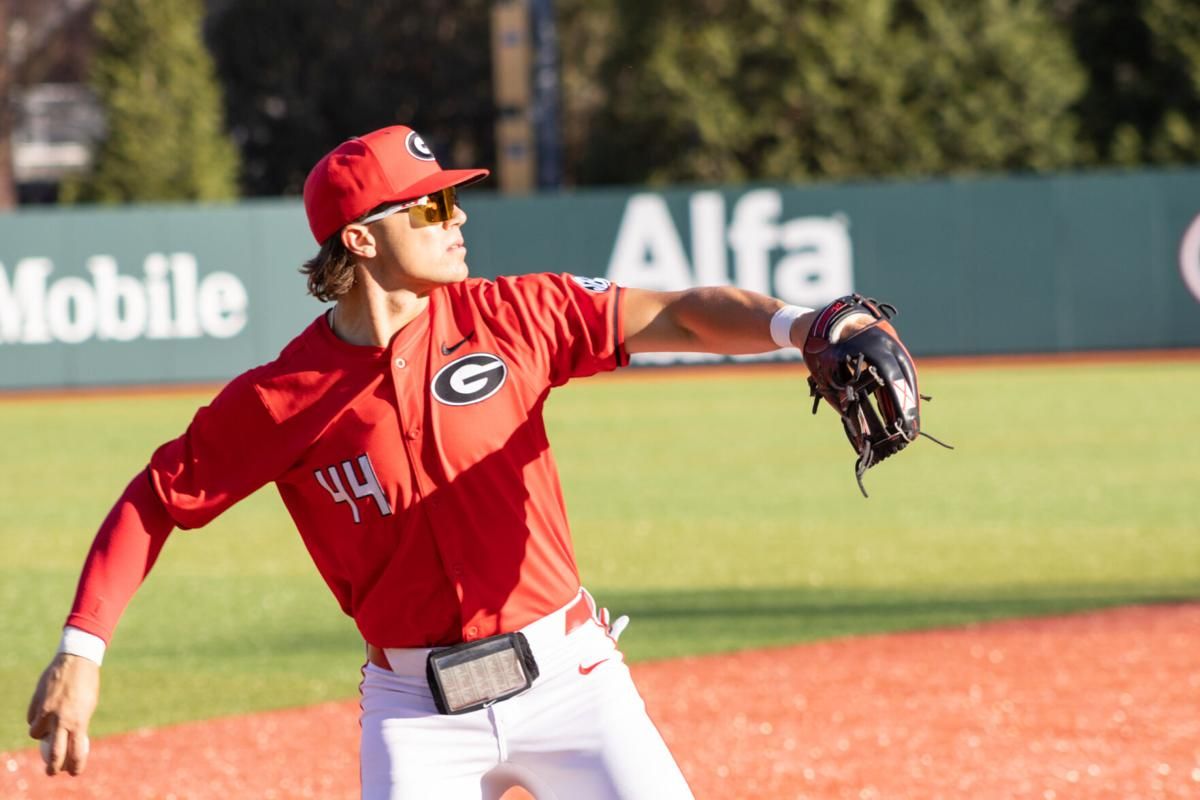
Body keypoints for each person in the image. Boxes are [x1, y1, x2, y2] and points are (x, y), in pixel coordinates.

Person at [26, 124, 864, 799]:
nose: (457, 218)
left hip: (573, 682)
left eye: (453, 201)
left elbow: (679, 314)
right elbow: (157, 500)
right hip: (416, 715)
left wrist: (803, 324)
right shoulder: (281, 396)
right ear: (359, 237)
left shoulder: (514, 314)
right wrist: (81, 652)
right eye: (428, 208)